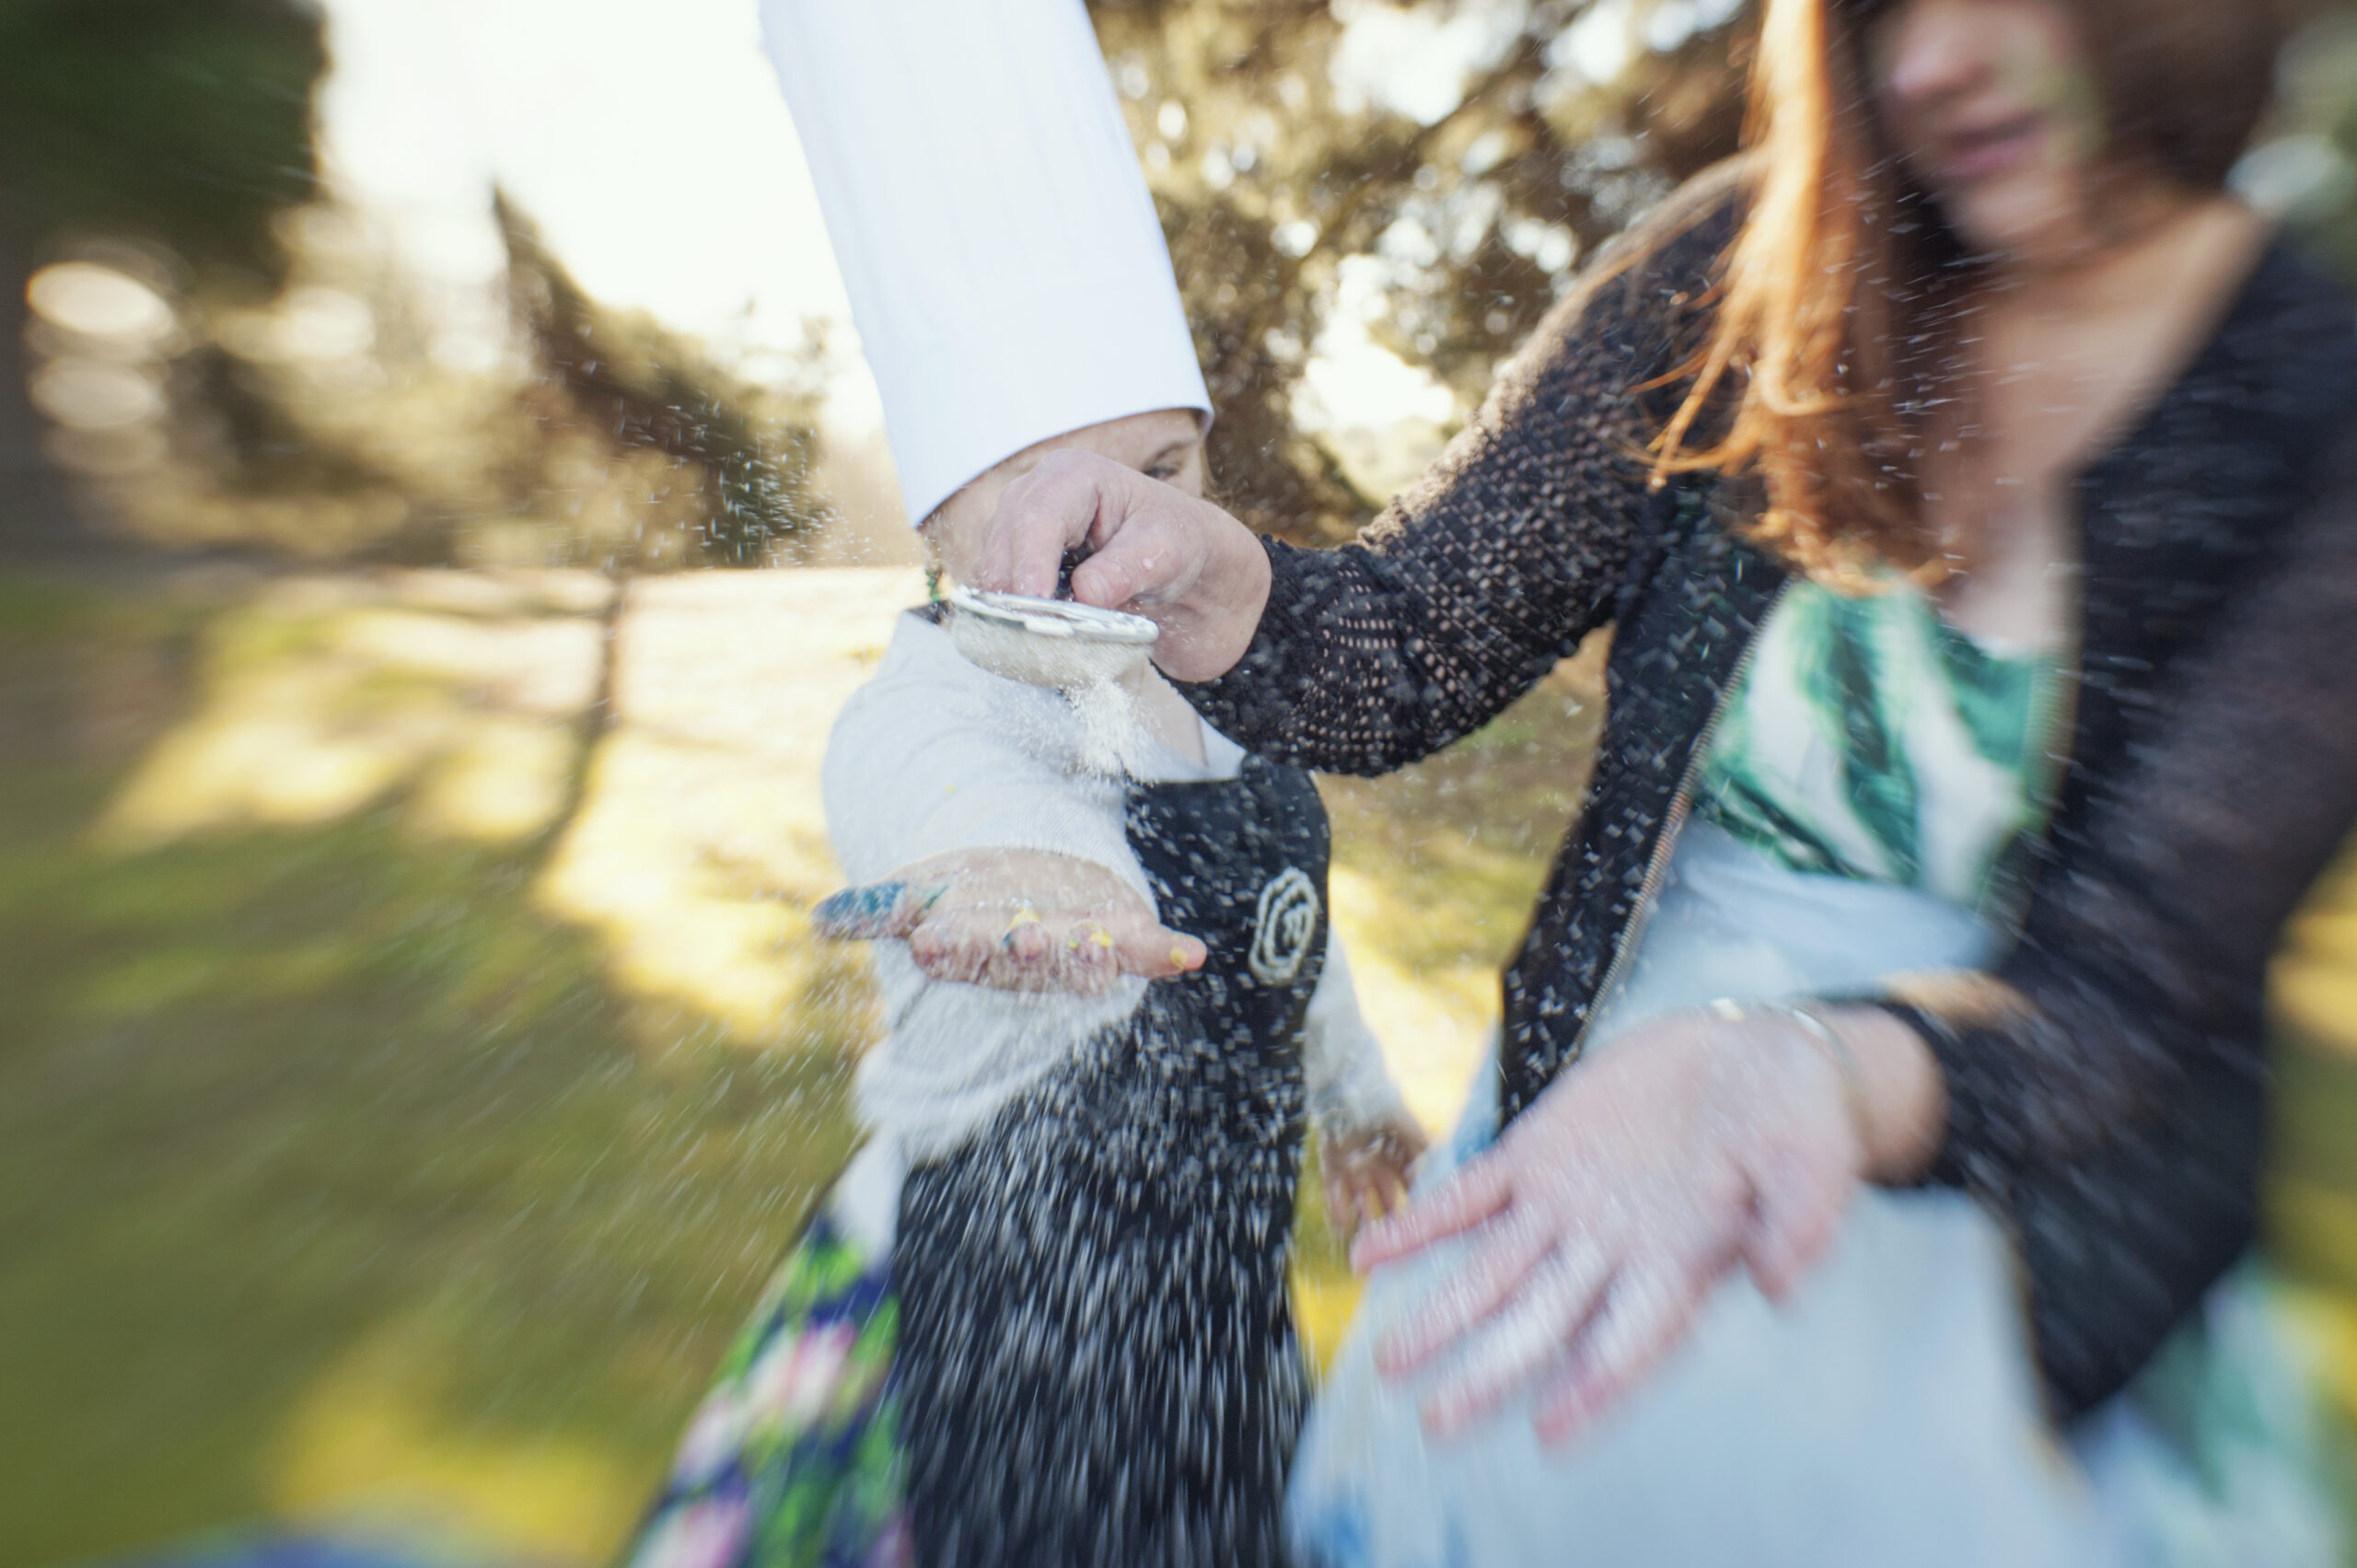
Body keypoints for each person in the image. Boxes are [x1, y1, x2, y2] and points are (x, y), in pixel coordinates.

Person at [937, 0, 2357, 1562]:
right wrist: (1216, 582)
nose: (1935, 62)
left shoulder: (2317, 400)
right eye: (1890, 13)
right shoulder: (1739, 269)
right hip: (1610, 1092)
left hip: (2020, 1194)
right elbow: (1412, 641)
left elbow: (2137, 985)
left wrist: (1788, 1069)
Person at [620, 4, 1423, 1565]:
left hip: (1221, 1315)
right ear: (936, 524)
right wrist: (1037, 873)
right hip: (991, 1333)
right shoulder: (928, 712)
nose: (1115, 527)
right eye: (1038, 483)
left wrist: (1358, 1101)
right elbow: (946, 792)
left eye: (1164, 471)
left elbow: (1282, 929)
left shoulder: (1226, 675)